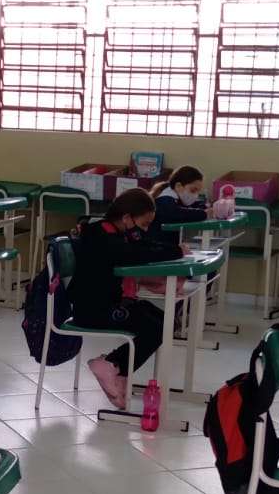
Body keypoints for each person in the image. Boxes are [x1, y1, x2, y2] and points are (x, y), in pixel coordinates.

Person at [69, 187, 183, 410]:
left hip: (110, 303)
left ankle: (118, 370)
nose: (145, 230)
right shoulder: (100, 234)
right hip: (93, 310)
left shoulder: (117, 232)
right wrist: (176, 252)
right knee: (156, 328)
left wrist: (176, 250)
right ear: (126, 218)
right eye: (144, 224)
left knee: (167, 321)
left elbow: (143, 246)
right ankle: (111, 365)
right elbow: (134, 254)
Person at [147, 166, 208, 236]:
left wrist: (205, 208)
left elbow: (194, 206)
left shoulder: (178, 198)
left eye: (198, 192)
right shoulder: (164, 199)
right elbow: (174, 214)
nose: (195, 195)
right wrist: (204, 214)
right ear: (178, 186)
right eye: (193, 190)